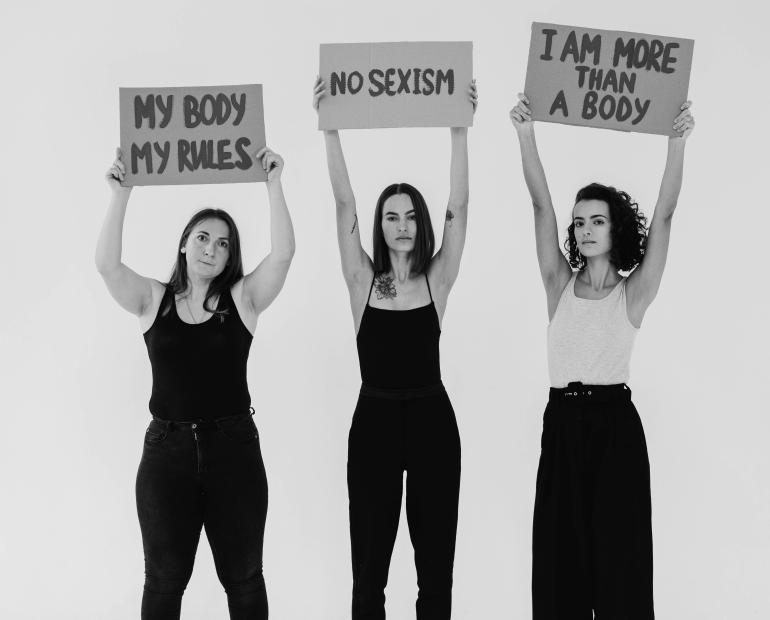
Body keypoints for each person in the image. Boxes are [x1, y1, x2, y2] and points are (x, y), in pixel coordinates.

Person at [509, 93, 695, 619]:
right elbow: (541, 206)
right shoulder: (557, 286)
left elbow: (664, 216)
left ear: (615, 229)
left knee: (621, 563)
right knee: (559, 562)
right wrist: (526, 135)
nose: (585, 230)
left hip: (615, 429)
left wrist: (676, 143)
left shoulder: (632, 294)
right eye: (580, 223)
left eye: (596, 221)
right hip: (562, 424)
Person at [96, 146, 295, 620]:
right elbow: (107, 265)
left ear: (230, 255)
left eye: (223, 243)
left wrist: (273, 183)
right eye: (203, 238)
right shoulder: (152, 299)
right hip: (167, 456)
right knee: (164, 582)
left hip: (234, 452)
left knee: (244, 579)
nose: (211, 248)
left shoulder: (244, 299)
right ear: (185, 243)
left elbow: (284, 254)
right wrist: (121, 194)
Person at [313, 76, 477, 619]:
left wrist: (460, 127)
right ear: (380, 226)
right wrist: (329, 129)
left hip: (432, 420)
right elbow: (343, 203)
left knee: (436, 570)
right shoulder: (363, 280)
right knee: (369, 571)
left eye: (410, 215)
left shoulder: (437, 279)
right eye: (391, 216)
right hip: (375, 423)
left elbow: (459, 204)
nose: (401, 225)